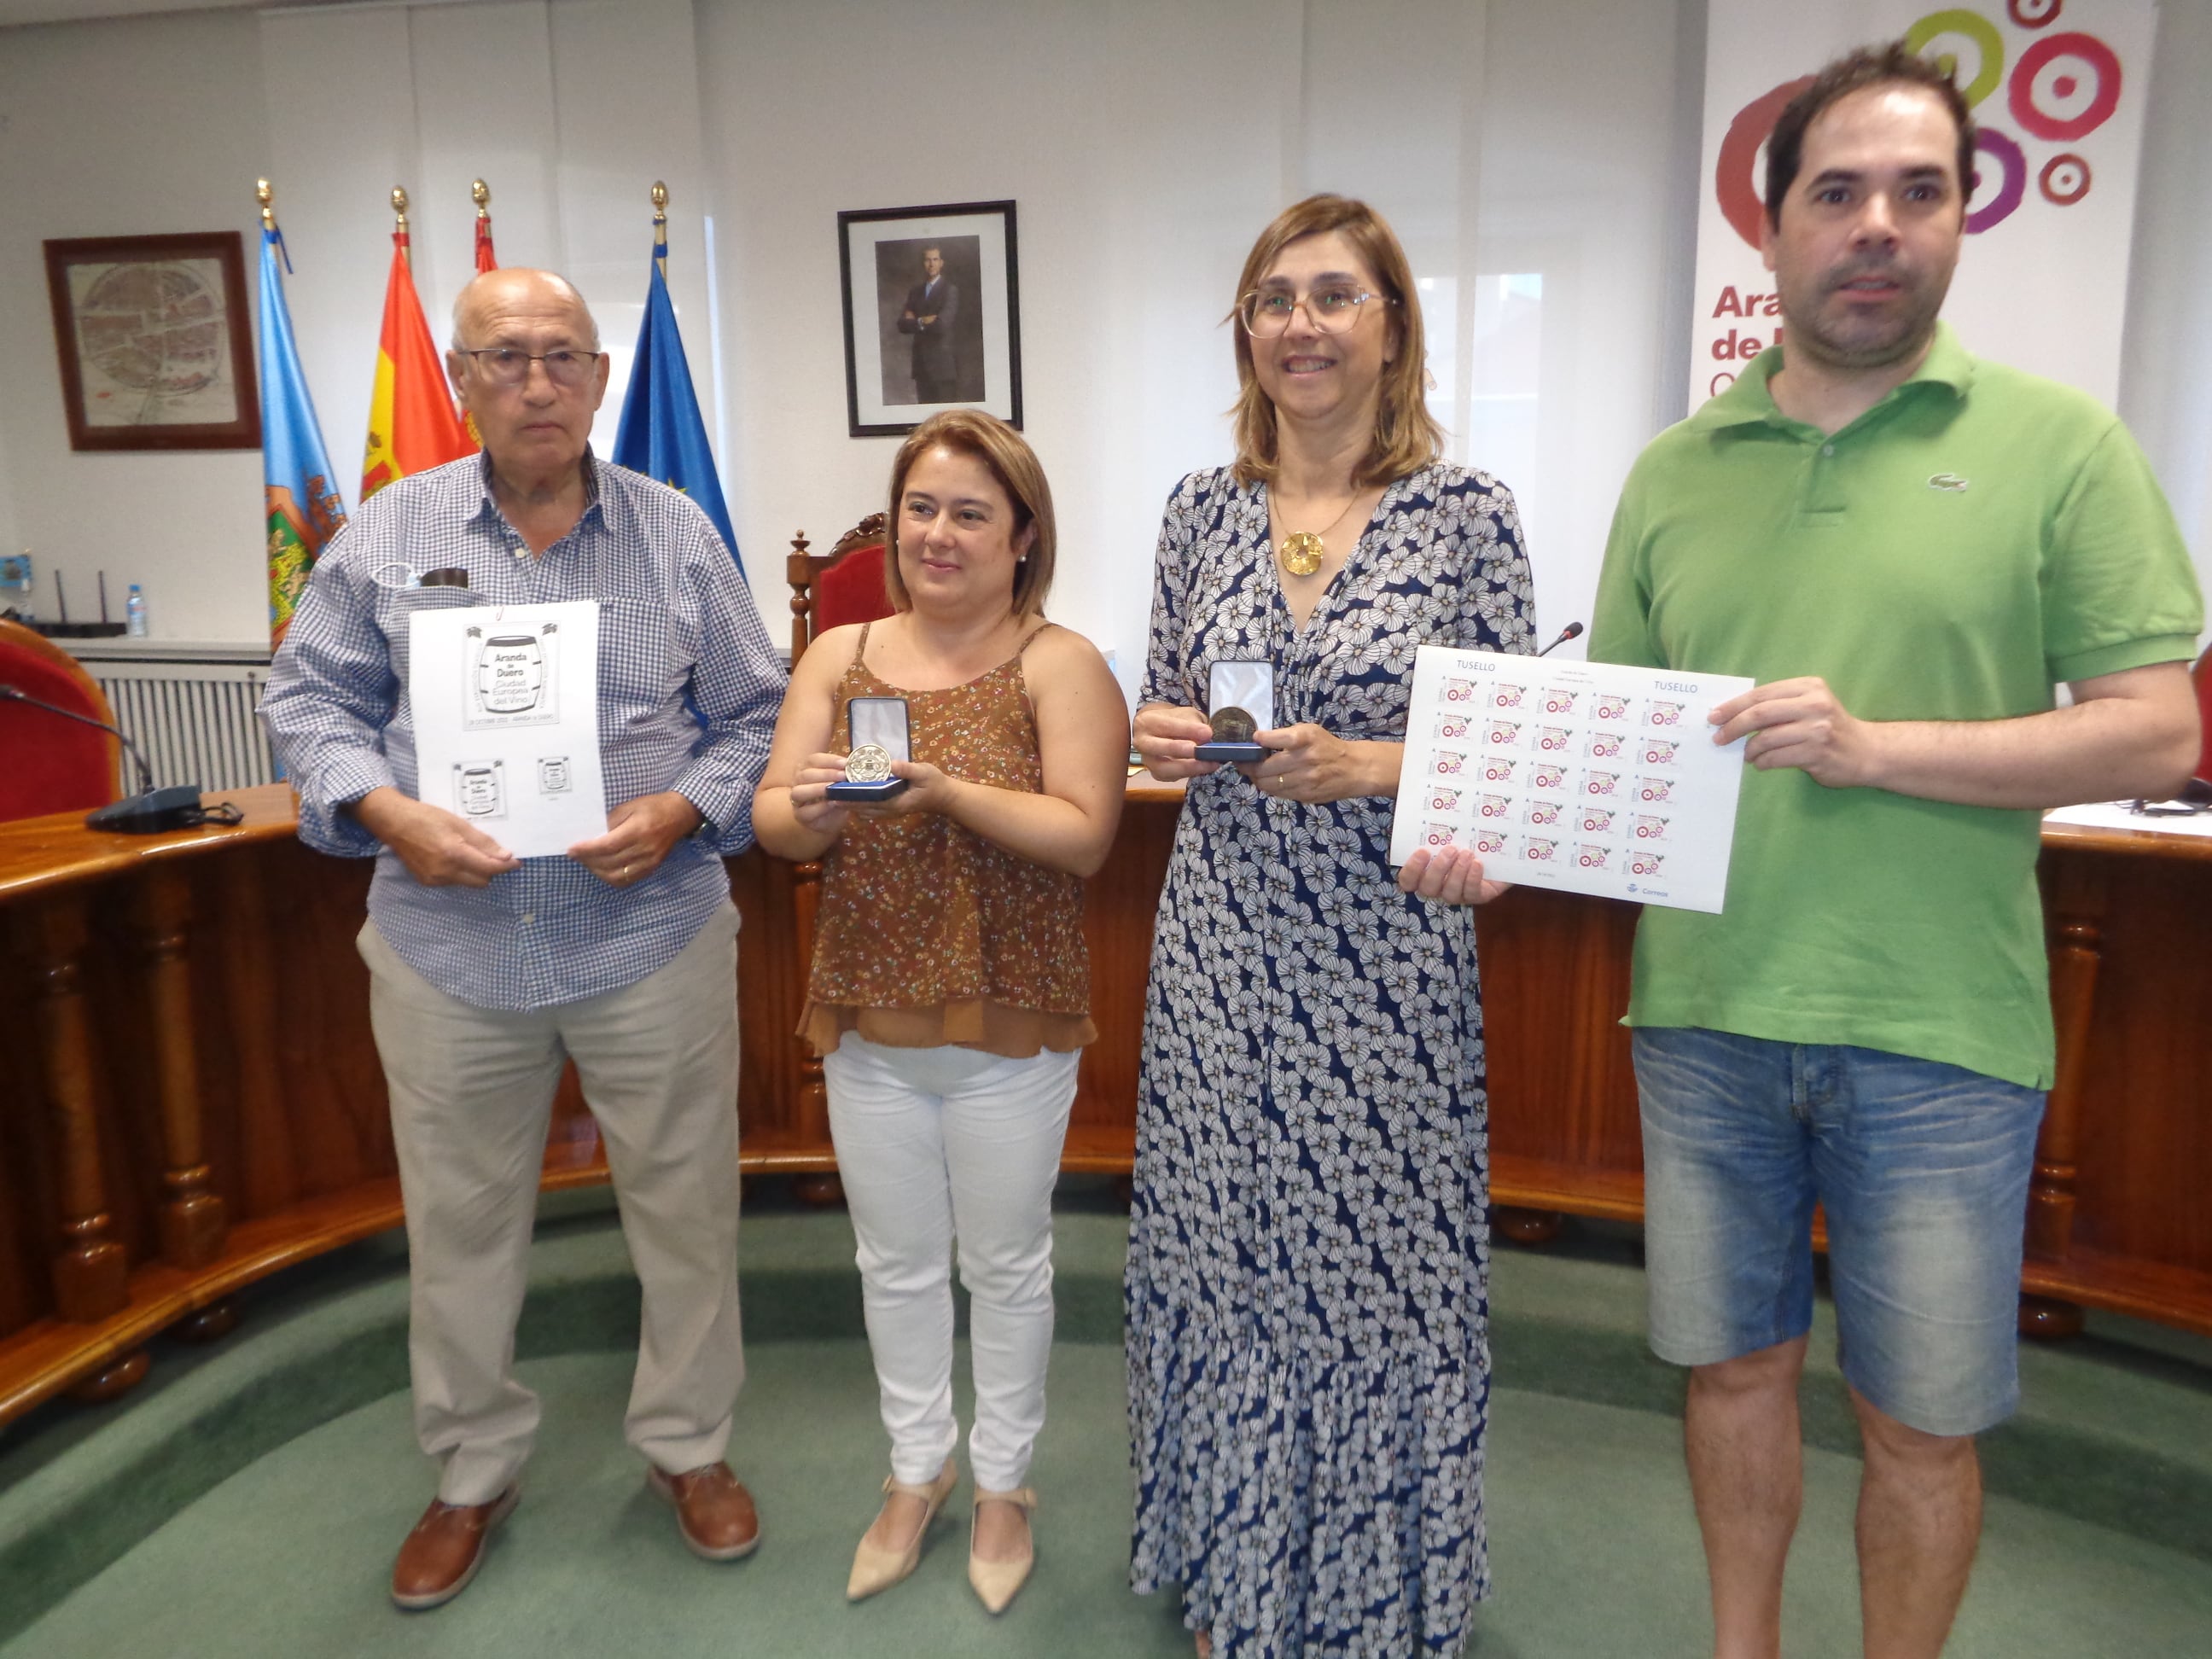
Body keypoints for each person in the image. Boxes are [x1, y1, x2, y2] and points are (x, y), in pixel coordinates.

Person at [1586, 44, 2203, 1659]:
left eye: (1916, 193)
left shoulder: (2062, 446)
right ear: (1773, 227)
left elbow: (2157, 729)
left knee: (1921, 1423)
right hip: (1707, 1011)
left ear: (1957, 222)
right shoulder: (1671, 471)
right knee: (1728, 1372)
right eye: (1837, 193)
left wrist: (1880, 749)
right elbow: (1620, 741)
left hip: (1940, 1029)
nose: (1877, 226)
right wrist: (1490, 829)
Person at [261, 267, 787, 1611]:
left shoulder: (676, 536)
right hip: (451, 947)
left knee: (686, 1214)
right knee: (461, 1226)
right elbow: (309, 702)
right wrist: (386, 812)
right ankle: (472, 1468)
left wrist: (681, 809)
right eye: (505, 359)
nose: (536, 383)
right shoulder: (385, 533)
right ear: (461, 379)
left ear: (602, 379)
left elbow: (753, 716)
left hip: (649, 936)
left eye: (562, 356)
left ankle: (689, 1445)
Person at [1126, 193, 1535, 1656]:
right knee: (1223, 1251)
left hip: (1386, 960)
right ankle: (1238, 1573)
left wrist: (1371, 765)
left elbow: (1512, 765)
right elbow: (1166, 693)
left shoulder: (1466, 515)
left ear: (1392, 328)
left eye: (1333, 295)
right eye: (1272, 298)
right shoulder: (1197, 508)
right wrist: (1164, 733)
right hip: (1221, 948)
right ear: (1245, 333)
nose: (1300, 323)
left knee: (1368, 1267)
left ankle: (1369, 1593)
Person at [754, 409, 1126, 1613]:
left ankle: (1006, 1483)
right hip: (869, 1015)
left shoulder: (1061, 662)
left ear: (1023, 536)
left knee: (1008, 1264)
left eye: (972, 513)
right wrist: (818, 809)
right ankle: (917, 1471)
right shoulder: (838, 654)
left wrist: (942, 790)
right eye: (922, 508)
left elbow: (1084, 838)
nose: (939, 534)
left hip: (1010, 1021)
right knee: (896, 1265)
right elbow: (772, 824)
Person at [897, 244, 962, 405]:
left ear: (942, 263)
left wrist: (915, 320)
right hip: (921, 366)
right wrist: (923, 320)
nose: (931, 264)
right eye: (927, 260)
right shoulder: (915, 292)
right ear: (923, 263)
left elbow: (941, 326)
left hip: (942, 367)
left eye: (935, 259)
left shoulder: (950, 290)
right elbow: (902, 325)